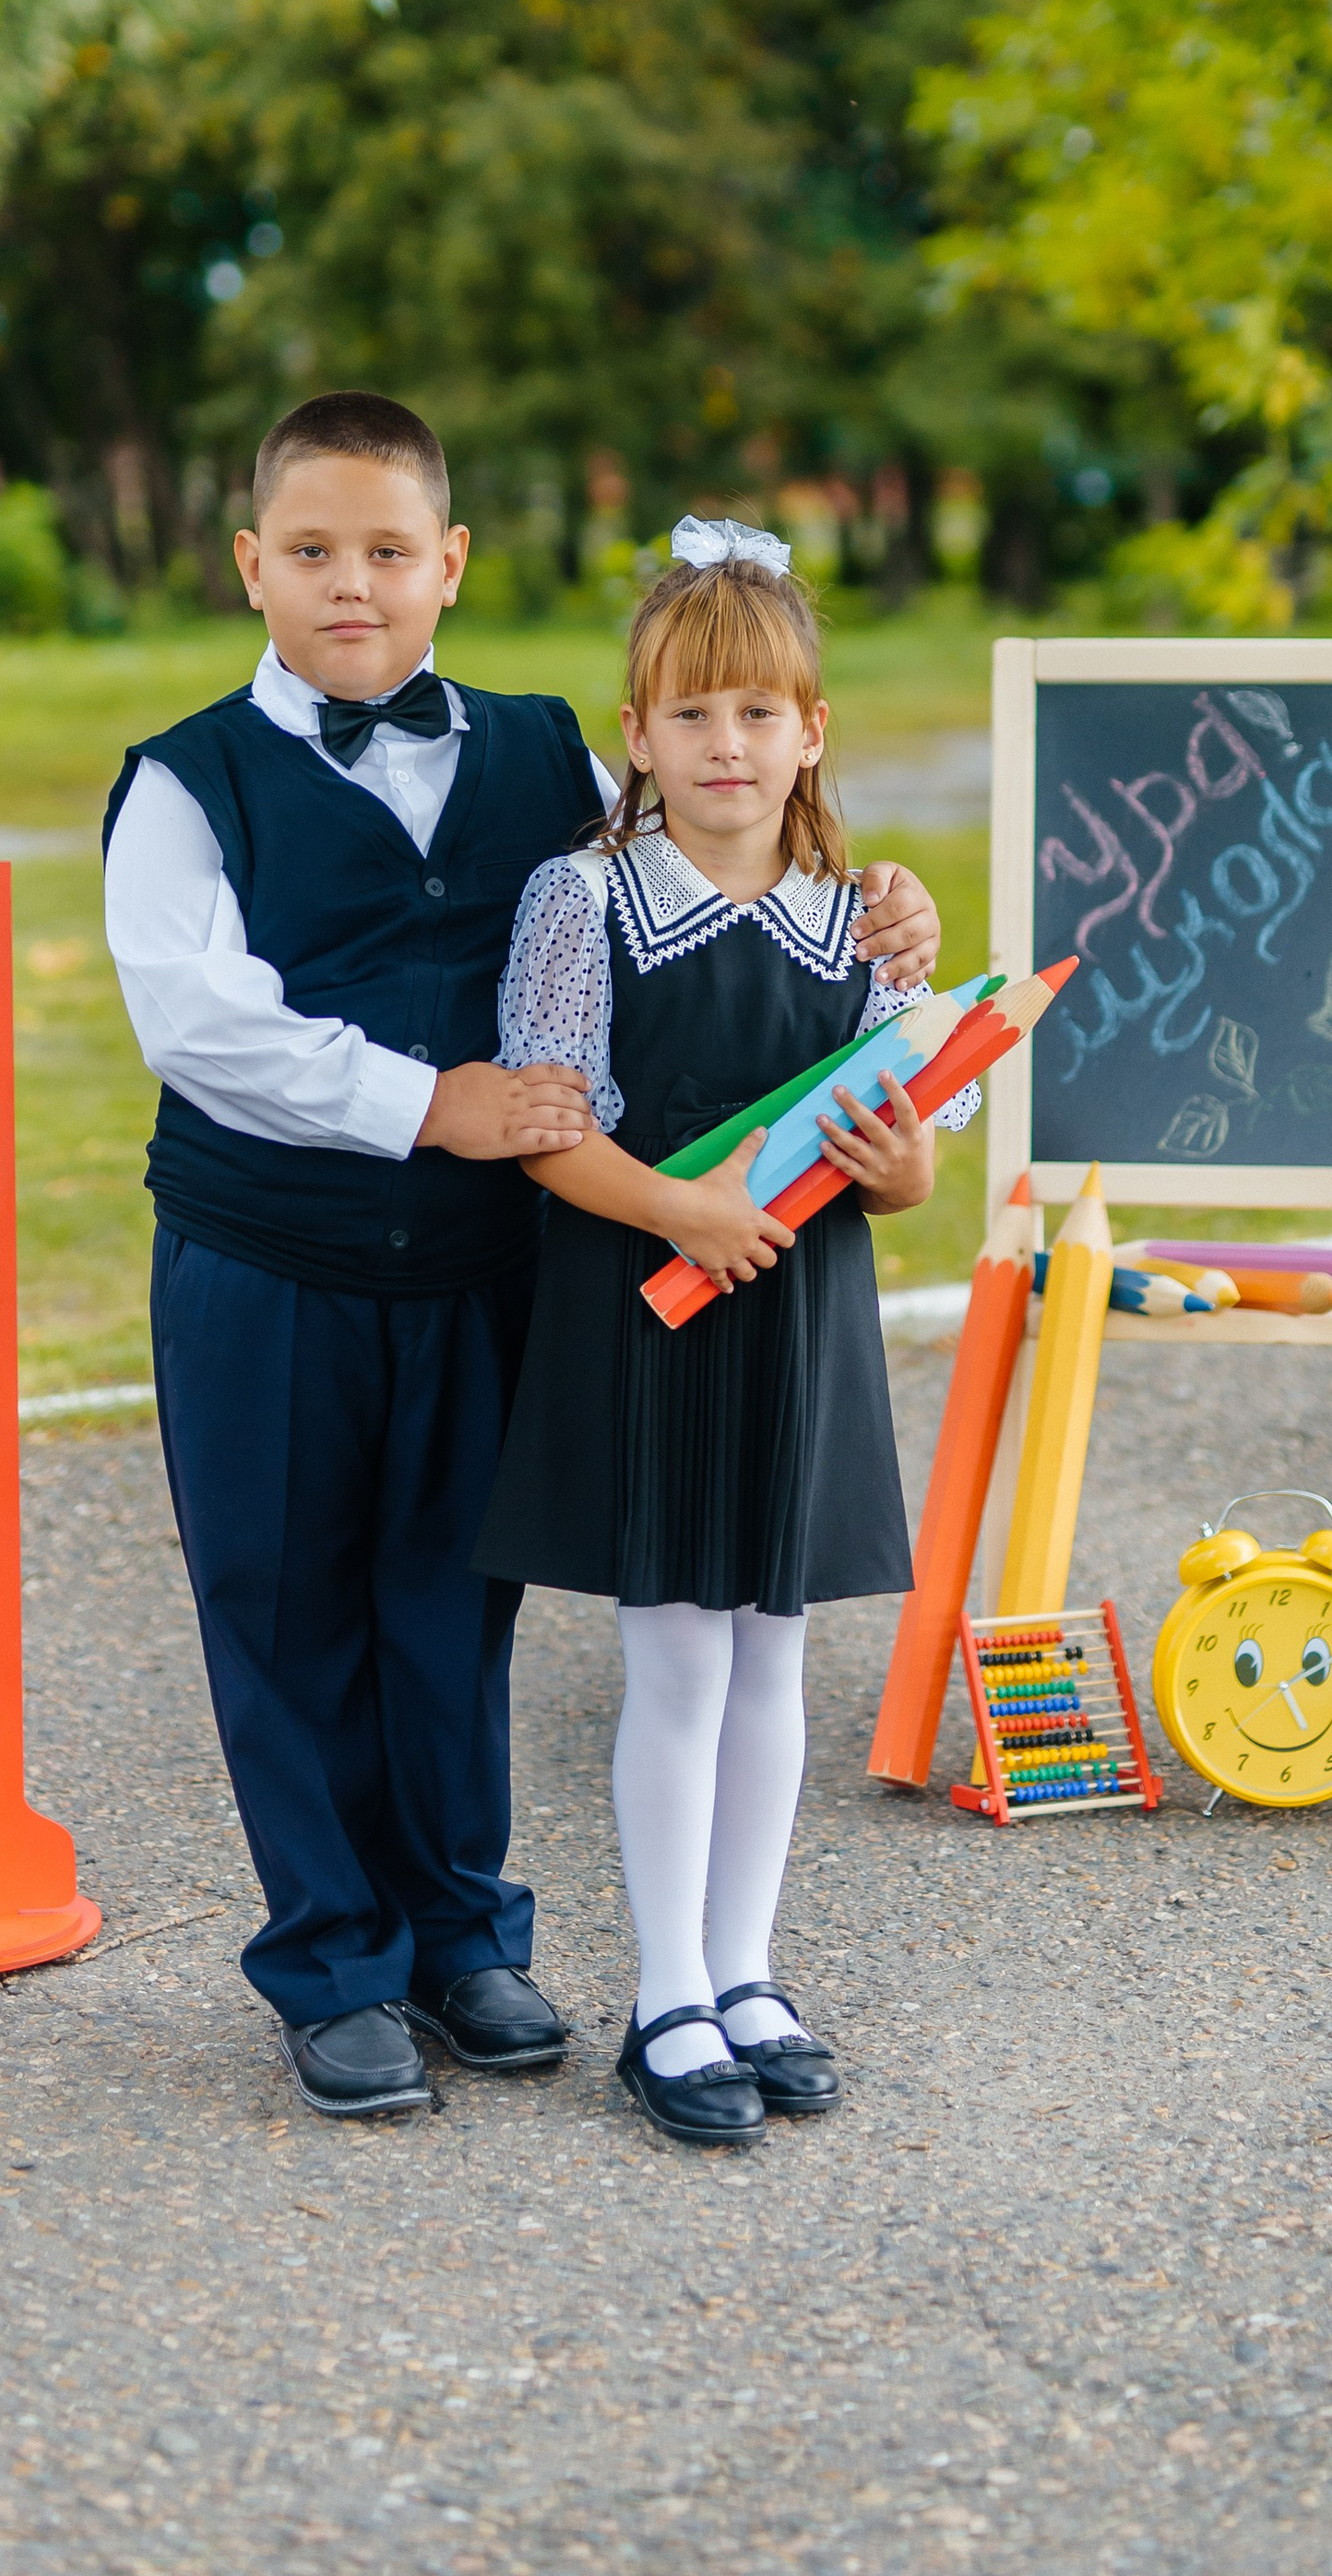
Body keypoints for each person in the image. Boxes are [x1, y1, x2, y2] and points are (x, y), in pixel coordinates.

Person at [101, 400, 943, 2119]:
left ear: (450, 567)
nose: (354, 586)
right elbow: (203, 1029)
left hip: (482, 1271)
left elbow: (703, 856)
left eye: (390, 553)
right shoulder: (186, 786)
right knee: (284, 1608)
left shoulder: (546, 753)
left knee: (446, 1608)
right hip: (267, 1261)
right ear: (252, 565)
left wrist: (887, 913)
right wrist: (437, 1105)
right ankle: (333, 1959)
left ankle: (464, 1934)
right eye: (315, 553)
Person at [474, 518, 975, 2146]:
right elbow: (552, 1128)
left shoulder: (867, 923)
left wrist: (903, 1169)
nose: (726, 744)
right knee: (676, 1658)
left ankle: (750, 1972)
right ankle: (666, 1993)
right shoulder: (583, 898)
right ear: (637, 733)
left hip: (802, 1331)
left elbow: (908, 1166)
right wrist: (682, 1212)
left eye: (760, 713)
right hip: (653, 1312)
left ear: (811, 730)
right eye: (691, 713)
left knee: (779, 1656)